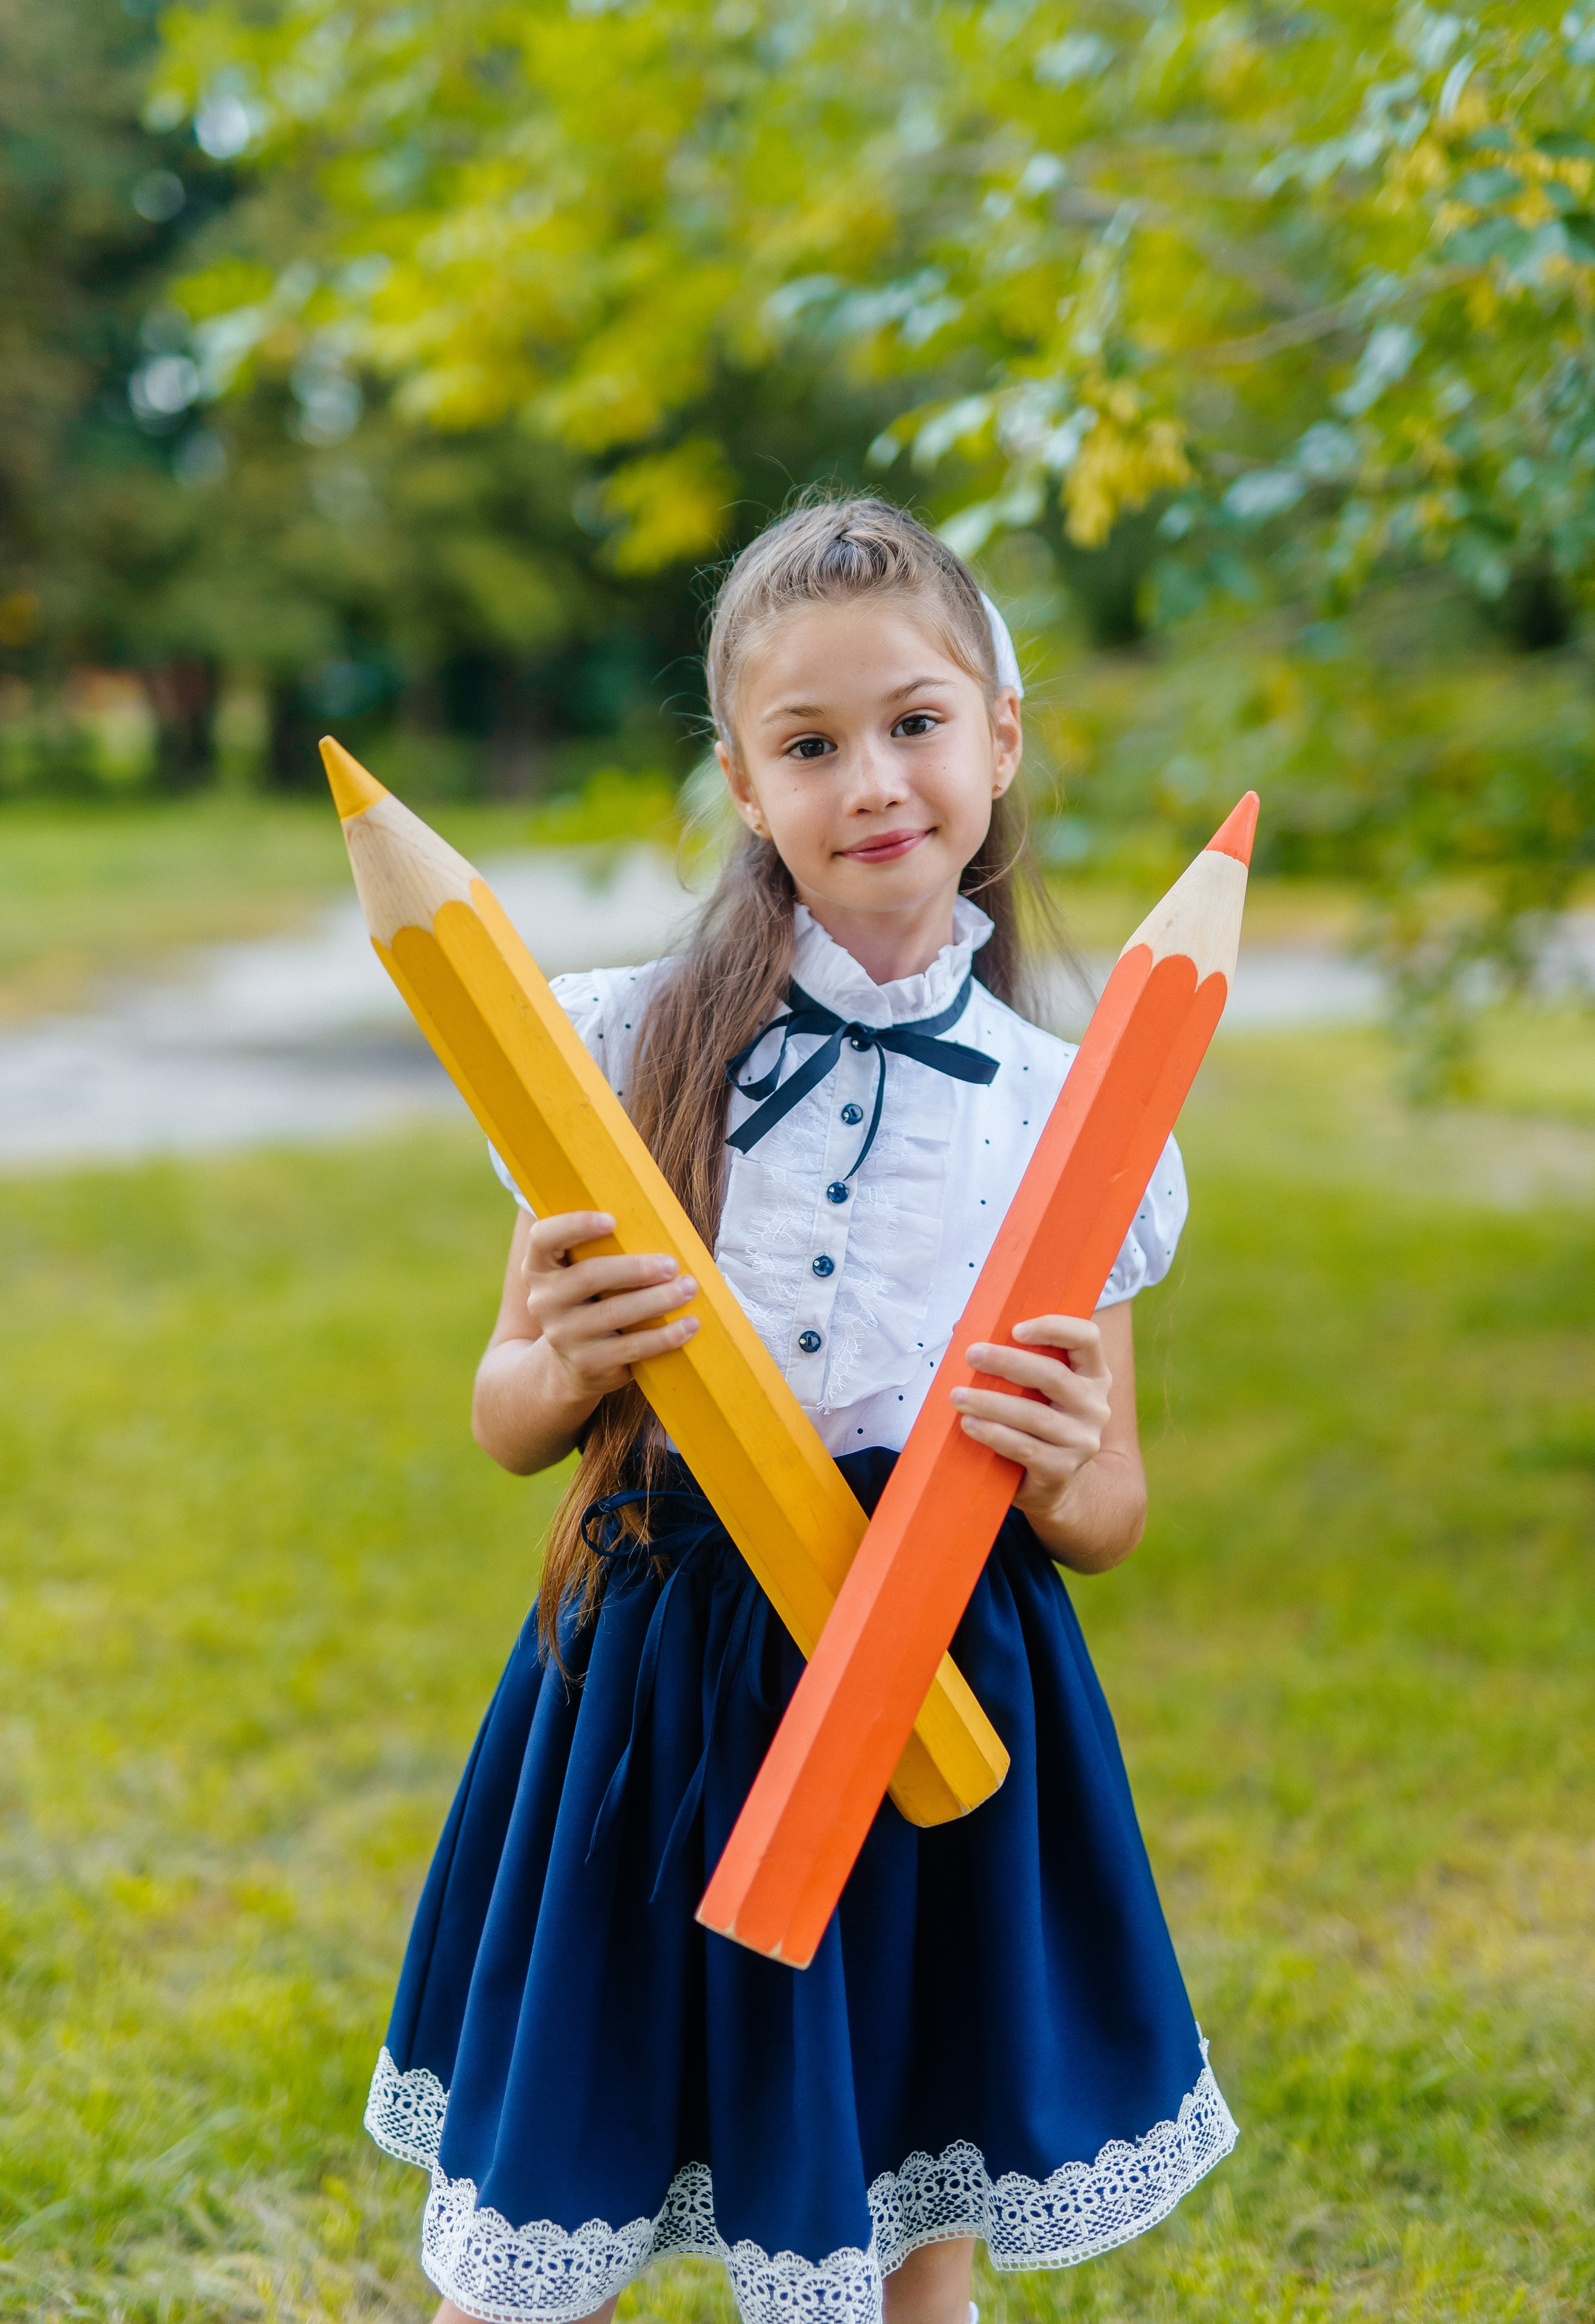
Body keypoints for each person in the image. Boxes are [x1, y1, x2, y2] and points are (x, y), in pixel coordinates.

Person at [364, 498, 1237, 2324]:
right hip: (658, 1672)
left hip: (941, 1678)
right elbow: (508, 1414)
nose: (874, 782)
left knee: (905, 2180)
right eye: (811, 744)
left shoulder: (1074, 1114)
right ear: (745, 785)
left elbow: (1111, 1513)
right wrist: (566, 1357)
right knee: (558, 2168)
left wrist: (1063, 1462)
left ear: (1002, 733)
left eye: (916, 723)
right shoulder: (623, 1046)